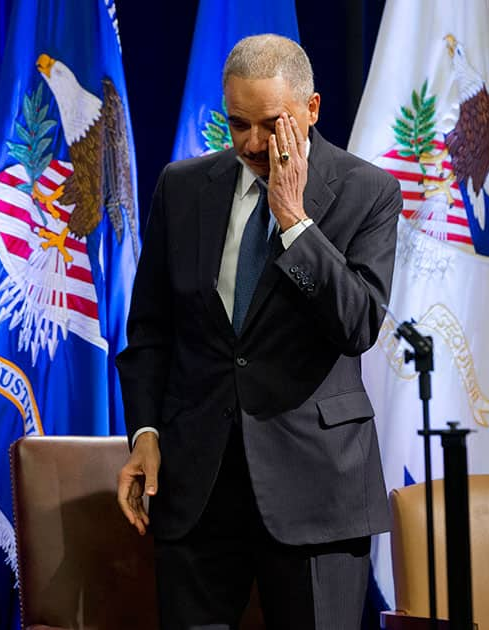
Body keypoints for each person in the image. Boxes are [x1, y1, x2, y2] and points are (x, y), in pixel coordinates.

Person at [115, 34, 402, 630]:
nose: (250, 143)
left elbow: (359, 323)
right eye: (236, 123)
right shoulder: (184, 186)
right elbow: (150, 331)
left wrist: (295, 222)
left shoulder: (366, 191)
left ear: (311, 109)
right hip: (198, 489)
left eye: (270, 125)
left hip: (316, 490)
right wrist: (144, 431)